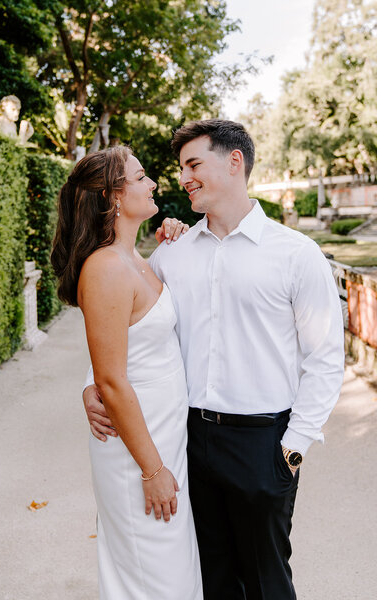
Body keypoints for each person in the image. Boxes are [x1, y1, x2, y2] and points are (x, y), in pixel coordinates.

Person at [84, 120, 345, 600]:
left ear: (234, 161)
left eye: (194, 164)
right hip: (188, 442)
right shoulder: (170, 254)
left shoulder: (296, 254)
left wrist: (294, 447)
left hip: (264, 443)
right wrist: (90, 385)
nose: (183, 177)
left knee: (267, 580)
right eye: (181, 167)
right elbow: (132, 331)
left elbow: (326, 357)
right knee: (208, 580)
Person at [51, 147, 203, 600]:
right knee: (151, 577)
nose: (153, 183)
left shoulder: (137, 259)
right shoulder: (105, 268)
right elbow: (113, 379)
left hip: (163, 441)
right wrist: (152, 470)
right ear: (112, 198)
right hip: (138, 456)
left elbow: (125, 345)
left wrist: (173, 238)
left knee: (170, 572)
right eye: (141, 177)